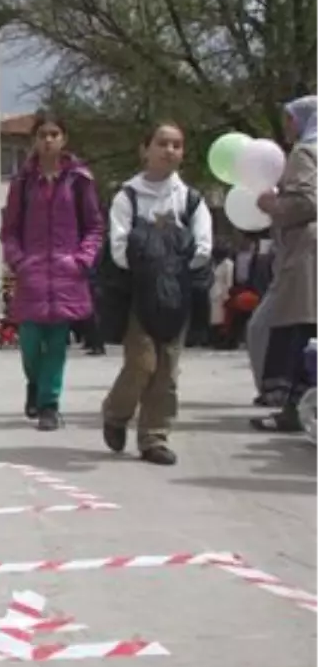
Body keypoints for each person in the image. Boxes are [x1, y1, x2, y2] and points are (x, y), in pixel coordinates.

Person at [100, 122, 213, 465]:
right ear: (145, 149)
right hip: (139, 295)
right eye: (162, 143)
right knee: (141, 363)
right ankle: (116, 413)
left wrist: (169, 263)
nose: (169, 150)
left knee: (168, 369)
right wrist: (153, 263)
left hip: (177, 294)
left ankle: (154, 437)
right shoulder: (127, 197)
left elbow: (203, 248)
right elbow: (118, 247)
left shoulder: (191, 200)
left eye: (177, 145)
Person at [1, 111, 104, 429]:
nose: (48, 140)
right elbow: (10, 229)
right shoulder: (22, 182)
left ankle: (49, 404)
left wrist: (81, 260)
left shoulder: (79, 181)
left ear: (64, 139)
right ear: (34, 140)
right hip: (32, 274)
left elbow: (94, 227)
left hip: (65, 274)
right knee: (30, 343)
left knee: (57, 344)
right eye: (42, 134)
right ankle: (35, 384)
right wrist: (19, 261)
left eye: (54, 134)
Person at [251, 96, 318, 432]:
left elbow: (307, 201)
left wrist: (272, 204)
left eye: (290, 119)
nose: (287, 127)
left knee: (299, 330)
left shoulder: (306, 153)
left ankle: (293, 407)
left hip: (307, 253)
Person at [209, 247, 235, 348]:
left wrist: (227, 295)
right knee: (215, 318)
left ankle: (224, 341)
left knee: (224, 318)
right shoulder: (214, 264)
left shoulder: (228, 264)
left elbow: (229, 281)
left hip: (223, 293)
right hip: (214, 291)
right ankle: (216, 340)